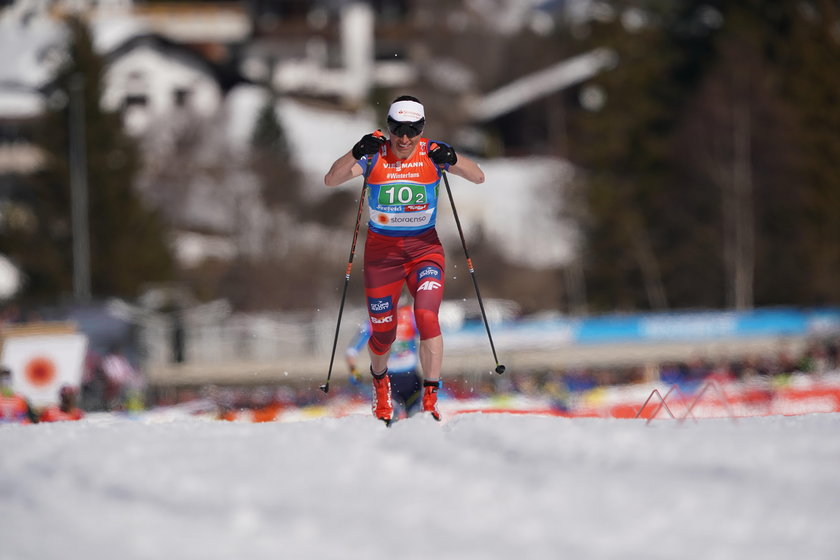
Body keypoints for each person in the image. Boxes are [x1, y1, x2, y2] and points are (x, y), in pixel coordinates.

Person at [325, 94, 485, 423]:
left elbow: (478, 176)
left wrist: (453, 156)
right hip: (382, 257)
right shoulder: (375, 154)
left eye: (413, 129)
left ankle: (429, 397)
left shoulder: (432, 153)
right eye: (398, 129)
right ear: (389, 127)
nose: (405, 138)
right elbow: (332, 178)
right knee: (383, 332)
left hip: (424, 250)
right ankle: (381, 386)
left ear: (422, 129)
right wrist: (356, 151)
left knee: (426, 316)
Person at [346, 302, 423, 419]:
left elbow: (431, 338)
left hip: (412, 380)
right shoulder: (374, 322)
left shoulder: (410, 317)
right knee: (391, 418)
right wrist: (353, 371)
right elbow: (352, 351)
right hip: (388, 381)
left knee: (416, 418)